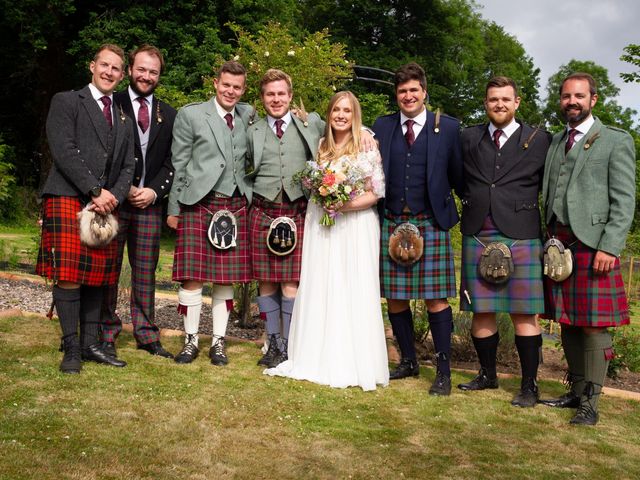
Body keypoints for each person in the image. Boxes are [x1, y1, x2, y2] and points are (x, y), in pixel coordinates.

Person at [264, 91, 389, 391]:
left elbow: (376, 191)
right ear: (329, 113)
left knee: (353, 287)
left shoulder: (367, 144)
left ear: (355, 115)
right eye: (336, 110)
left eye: (347, 110)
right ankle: (316, 354)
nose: (341, 116)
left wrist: (343, 205)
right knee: (322, 285)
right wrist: (327, 199)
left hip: (356, 226)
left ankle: (356, 361)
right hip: (322, 225)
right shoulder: (320, 144)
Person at [539, 72, 636, 425]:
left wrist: (609, 246)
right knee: (568, 319)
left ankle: (591, 404)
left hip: (593, 245)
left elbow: (624, 201)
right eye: (566, 96)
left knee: (595, 325)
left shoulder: (614, 140)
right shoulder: (554, 141)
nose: (572, 102)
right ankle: (576, 391)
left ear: (593, 99)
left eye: (579, 96)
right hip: (557, 244)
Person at [36, 44, 135, 373]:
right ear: (92, 66)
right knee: (69, 276)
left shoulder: (122, 115)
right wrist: (95, 190)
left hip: (105, 204)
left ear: (123, 75)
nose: (109, 72)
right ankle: (71, 346)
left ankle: (92, 344)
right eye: (104, 65)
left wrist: (113, 197)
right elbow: (63, 150)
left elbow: (128, 167)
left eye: (116, 68)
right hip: (69, 196)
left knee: (98, 277)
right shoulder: (67, 101)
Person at [457, 76, 551, 407]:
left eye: (505, 99)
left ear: (517, 103)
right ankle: (488, 375)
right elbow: (459, 178)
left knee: (524, 314)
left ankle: (529, 386)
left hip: (521, 232)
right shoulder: (469, 137)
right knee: (481, 309)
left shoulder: (540, 140)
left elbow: (547, 183)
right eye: (493, 99)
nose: (499, 104)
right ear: (486, 103)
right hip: (478, 230)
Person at [372, 62, 463, 396]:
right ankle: (408, 361)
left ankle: (443, 370)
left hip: (430, 222)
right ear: (396, 95)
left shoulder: (449, 128)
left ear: (424, 92)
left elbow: (459, 176)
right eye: (402, 91)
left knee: (436, 300)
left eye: (414, 90)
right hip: (392, 220)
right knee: (395, 298)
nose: (408, 96)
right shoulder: (381, 127)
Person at [167, 60, 254, 366]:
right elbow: (179, 162)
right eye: (226, 85)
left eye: (237, 87)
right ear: (215, 83)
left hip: (235, 205)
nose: (231, 91)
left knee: (224, 279)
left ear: (243, 90)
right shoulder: (192, 114)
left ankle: (218, 342)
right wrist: (174, 207)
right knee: (192, 277)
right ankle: (190, 341)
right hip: (198, 203)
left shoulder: (249, 115)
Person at [246, 69, 326, 368]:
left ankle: (290, 344)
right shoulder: (251, 128)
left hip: (297, 210)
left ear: (290, 96)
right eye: (270, 94)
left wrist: (369, 135)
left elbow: (344, 125)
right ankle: (273, 343)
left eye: (281, 93)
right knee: (266, 281)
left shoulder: (310, 122)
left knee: (291, 282)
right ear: (263, 98)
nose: (276, 99)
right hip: (263, 209)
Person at [101, 44, 176, 359]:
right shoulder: (110, 103)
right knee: (108, 271)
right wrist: (121, 188)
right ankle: (105, 332)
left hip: (149, 205)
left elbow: (174, 162)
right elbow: (98, 153)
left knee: (145, 272)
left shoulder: (169, 114)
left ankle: (146, 334)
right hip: (114, 203)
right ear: (130, 70)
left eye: (153, 72)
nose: (146, 76)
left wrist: (155, 191)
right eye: (141, 69)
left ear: (159, 76)